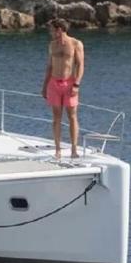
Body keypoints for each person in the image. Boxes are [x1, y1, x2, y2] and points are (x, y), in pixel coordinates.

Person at [41, 18, 84, 159]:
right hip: (54, 83)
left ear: (59, 29)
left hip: (69, 83)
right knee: (56, 117)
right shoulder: (52, 45)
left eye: (52, 29)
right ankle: (58, 149)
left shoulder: (75, 44)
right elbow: (49, 66)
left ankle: (74, 149)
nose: (50, 32)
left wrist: (76, 84)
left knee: (72, 116)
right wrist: (44, 85)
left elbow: (80, 65)